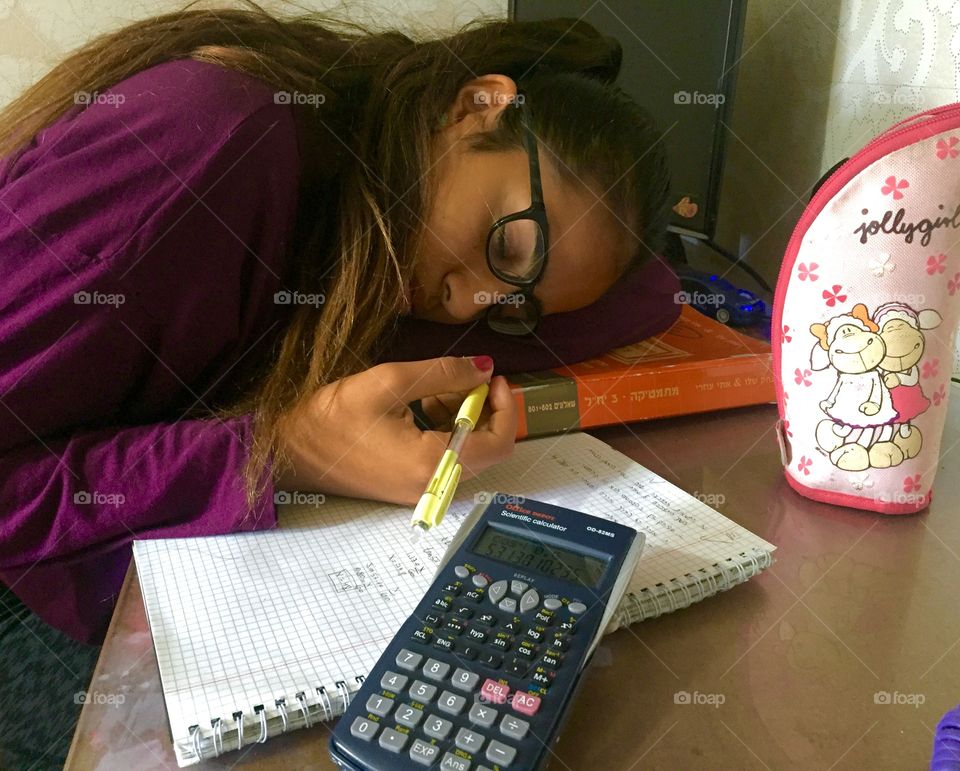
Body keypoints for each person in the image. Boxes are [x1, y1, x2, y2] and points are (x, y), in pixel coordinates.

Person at [0, 2, 675, 766]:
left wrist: (530, 271)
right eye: (512, 246)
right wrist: (277, 452)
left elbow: (653, 292)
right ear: (475, 106)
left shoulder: (377, 236)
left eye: (514, 306)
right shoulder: (216, 143)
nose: (471, 306)